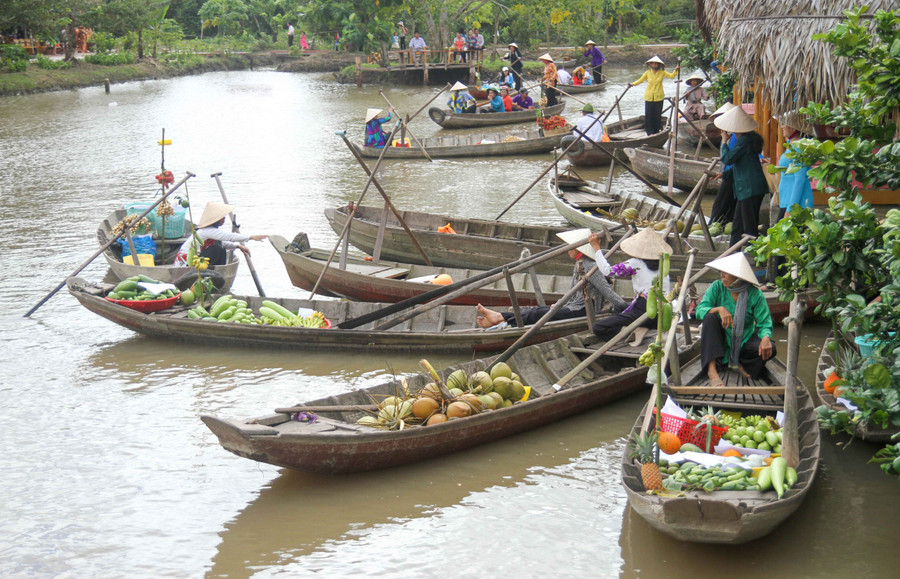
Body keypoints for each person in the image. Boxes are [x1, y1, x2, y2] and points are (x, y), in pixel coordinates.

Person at [477, 229, 626, 329]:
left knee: (539, 314)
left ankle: (500, 319)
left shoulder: (590, 266)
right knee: (539, 309)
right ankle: (501, 317)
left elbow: (608, 292)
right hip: (574, 306)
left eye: (571, 247)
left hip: (584, 311)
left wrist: (629, 308)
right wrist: (559, 304)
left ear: (580, 249)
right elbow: (572, 293)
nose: (568, 249)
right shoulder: (578, 264)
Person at [696, 253, 775, 386]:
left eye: (726, 273)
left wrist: (766, 338)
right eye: (721, 272)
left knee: (771, 347)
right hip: (720, 340)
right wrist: (719, 309)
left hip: (743, 341)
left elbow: (764, 323)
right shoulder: (717, 287)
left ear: (738, 277)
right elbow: (699, 310)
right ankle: (712, 370)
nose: (722, 275)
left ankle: (737, 362)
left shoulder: (755, 294)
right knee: (709, 317)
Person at [592, 228, 672, 343]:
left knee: (598, 327)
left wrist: (596, 248)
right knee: (620, 306)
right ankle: (640, 327)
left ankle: (628, 330)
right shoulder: (663, 264)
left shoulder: (635, 263)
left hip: (645, 311)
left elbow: (607, 271)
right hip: (660, 313)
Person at [714, 106, 769, 246]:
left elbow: (728, 159)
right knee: (737, 224)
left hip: (749, 189)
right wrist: (723, 174)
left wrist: (724, 142)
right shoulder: (746, 139)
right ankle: (733, 253)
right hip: (747, 189)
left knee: (749, 226)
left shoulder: (744, 140)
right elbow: (742, 164)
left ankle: (753, 256)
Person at [175, 202, 267, 266]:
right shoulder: (207, 231)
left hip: (193, 259)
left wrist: (238, 246)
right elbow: (229, 236)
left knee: (220, 246)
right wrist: (251, 237)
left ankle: (216, 270)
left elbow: (222, 242)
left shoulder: (210, 231)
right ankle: (214, 271)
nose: (224, 218)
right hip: (186, 262)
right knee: (219, 249)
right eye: (222, 217)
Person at [629, 56, 679, 135]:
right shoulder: (647, 73)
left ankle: (656, 131)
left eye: (656, 63)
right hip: (649, 96)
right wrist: (633, 84)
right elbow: (640, 80)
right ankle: (649, 132)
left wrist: (676, 70)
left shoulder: (662, 73)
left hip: (659, 96)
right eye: (653, 63)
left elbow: (671, 76)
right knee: (649, 115)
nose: (655, 65)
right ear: (650, 64)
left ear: (659, 65)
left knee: (657, 115)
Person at [708, 102, 738, 224]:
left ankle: (712, 226)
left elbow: (731, 158)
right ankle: (723, 224)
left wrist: (724, 141)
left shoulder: (735, 136)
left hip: (732, 175)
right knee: (728, 203)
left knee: (720, 204)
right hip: (728, 173)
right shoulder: (727, 135)